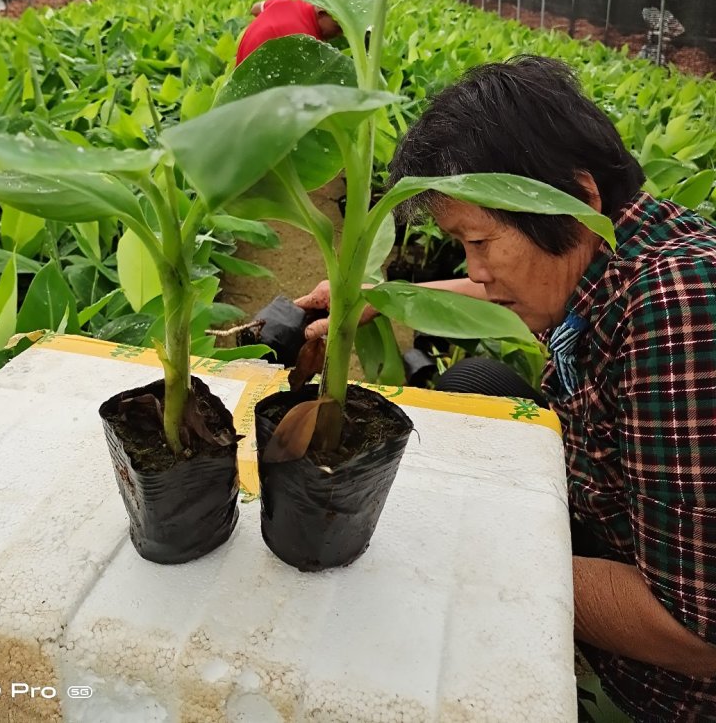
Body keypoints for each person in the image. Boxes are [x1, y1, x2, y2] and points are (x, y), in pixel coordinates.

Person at [296, 55, 716, 720]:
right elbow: (506, 286)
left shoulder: (682, 311)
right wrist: (383, 296)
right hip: (608, 506)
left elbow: (697, 630)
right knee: (476, 385)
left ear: (574, 197)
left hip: (665, 688)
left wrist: (483, 552)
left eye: (480, 240)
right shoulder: (620, 249)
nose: (477, 269)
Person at [236, 0, 341, 65]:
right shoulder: (306, 40)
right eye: (338, 27)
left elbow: (255, 9)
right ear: (321, 12)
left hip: (241, 65)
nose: (341, 34)